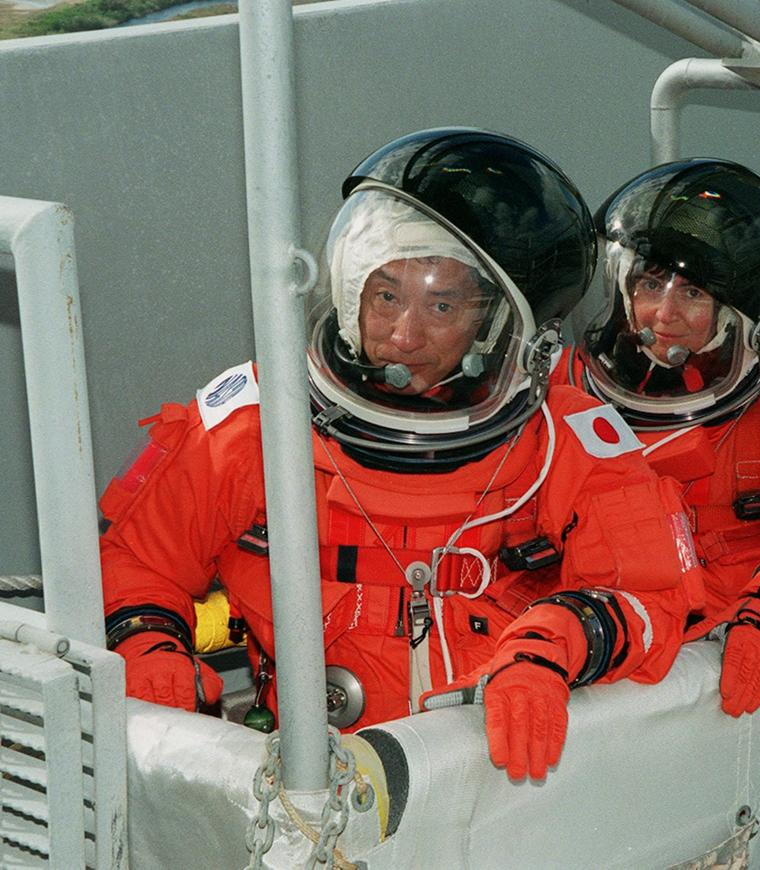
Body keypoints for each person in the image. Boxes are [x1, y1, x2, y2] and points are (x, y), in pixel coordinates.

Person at [98, 129, 704, 781]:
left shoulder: (566, 441)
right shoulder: (254, 424)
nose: (403, 335)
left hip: (493, 769)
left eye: (441, 305)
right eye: (386, 296)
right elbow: (132, 557)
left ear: (500, 327)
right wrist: (146, 644)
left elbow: (658, 598)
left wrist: (553, 644)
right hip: (305, 776)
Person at [561, 158, 760, 717]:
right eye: (650, 285)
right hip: (599, 644)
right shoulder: (567, 395)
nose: (663, 314)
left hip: (721, 658)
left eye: (693, 294)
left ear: (739, 316)